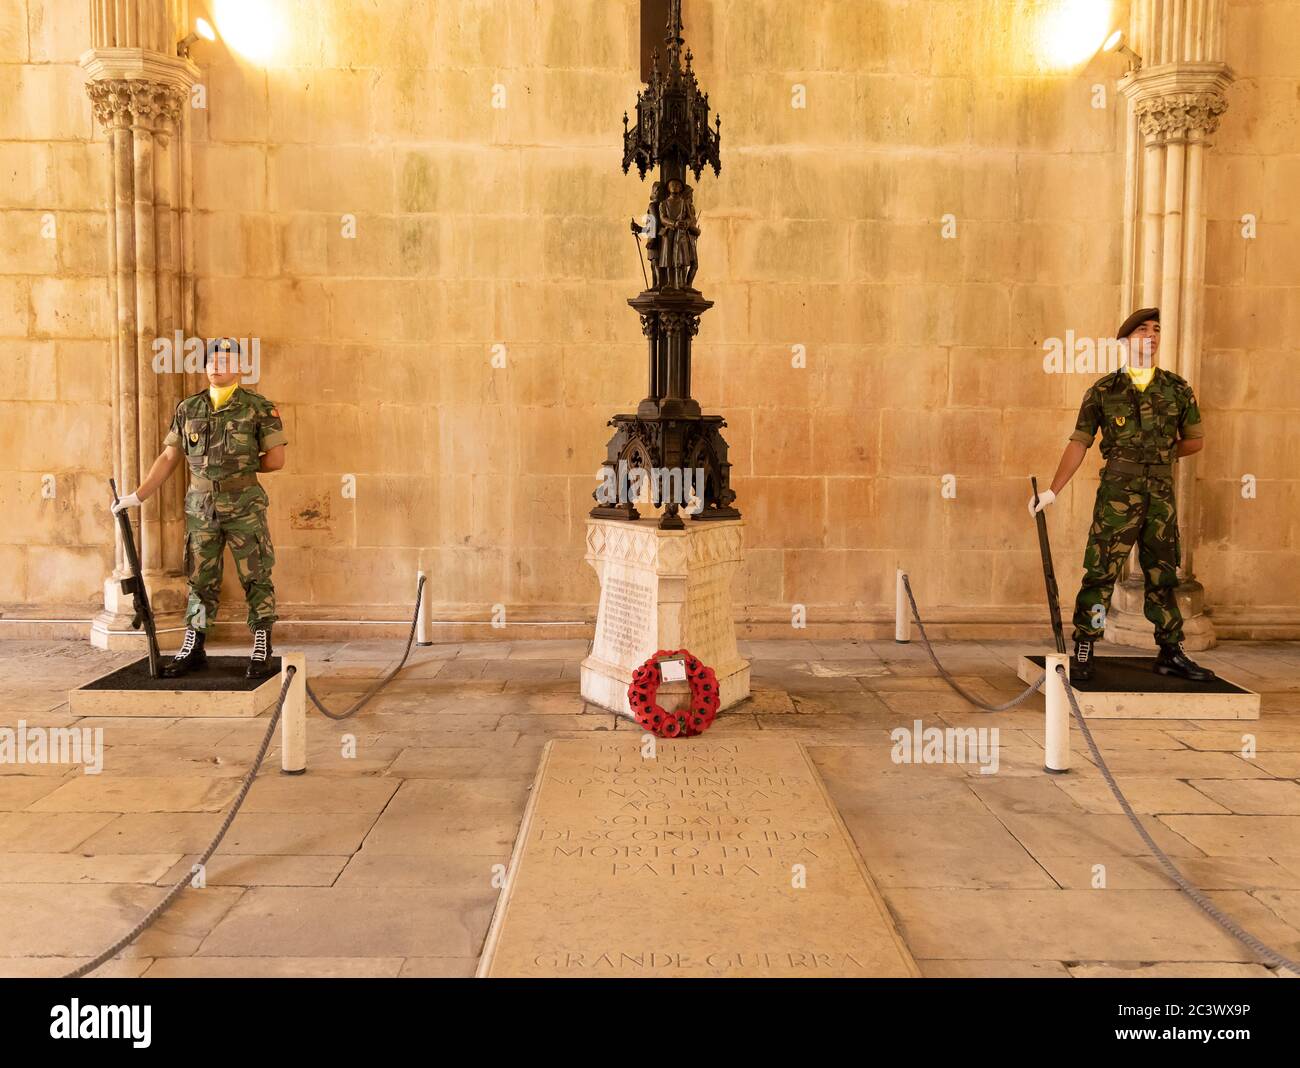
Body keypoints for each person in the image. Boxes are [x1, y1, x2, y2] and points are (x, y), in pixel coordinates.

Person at [1030, 308, 1214, 682]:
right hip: (1117, 494)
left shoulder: (1177, 389)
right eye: (1143, 330)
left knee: (1162, 575)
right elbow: (1079, 443)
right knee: (1101, 573)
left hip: (1160, 496)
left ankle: (1170, 650)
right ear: (1127, 340)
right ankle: (1085, 643)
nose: (1151, 335)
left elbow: (1194, 441)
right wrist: (1052, 491)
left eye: (1157, 329)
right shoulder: (1103, 390)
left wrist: (1160, 455)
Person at [113, 338, 287, 679]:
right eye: (212, 361)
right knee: (200, 579)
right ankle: (194, 644)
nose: (218, 366)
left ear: (239, 367)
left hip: (244, 506)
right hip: (201, 509)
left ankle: (262, 642)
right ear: (205, 367)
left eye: (226, 360)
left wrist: (238, 473)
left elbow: (276, 460)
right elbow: (169, 457)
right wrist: (137, 496)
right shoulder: (188, 408)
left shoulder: (259, 407)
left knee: (256, 575)